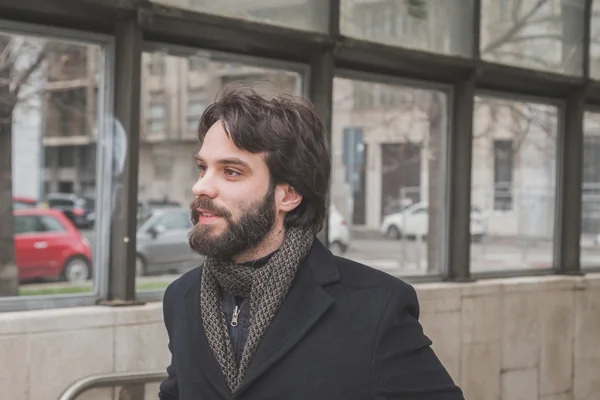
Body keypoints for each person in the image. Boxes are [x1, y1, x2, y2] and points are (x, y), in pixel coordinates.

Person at [158, 84, 464, 400]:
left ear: (288, 195)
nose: (201, 187)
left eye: (231, 171)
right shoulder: (182, 298)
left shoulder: (374, 307)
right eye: (203, 168)